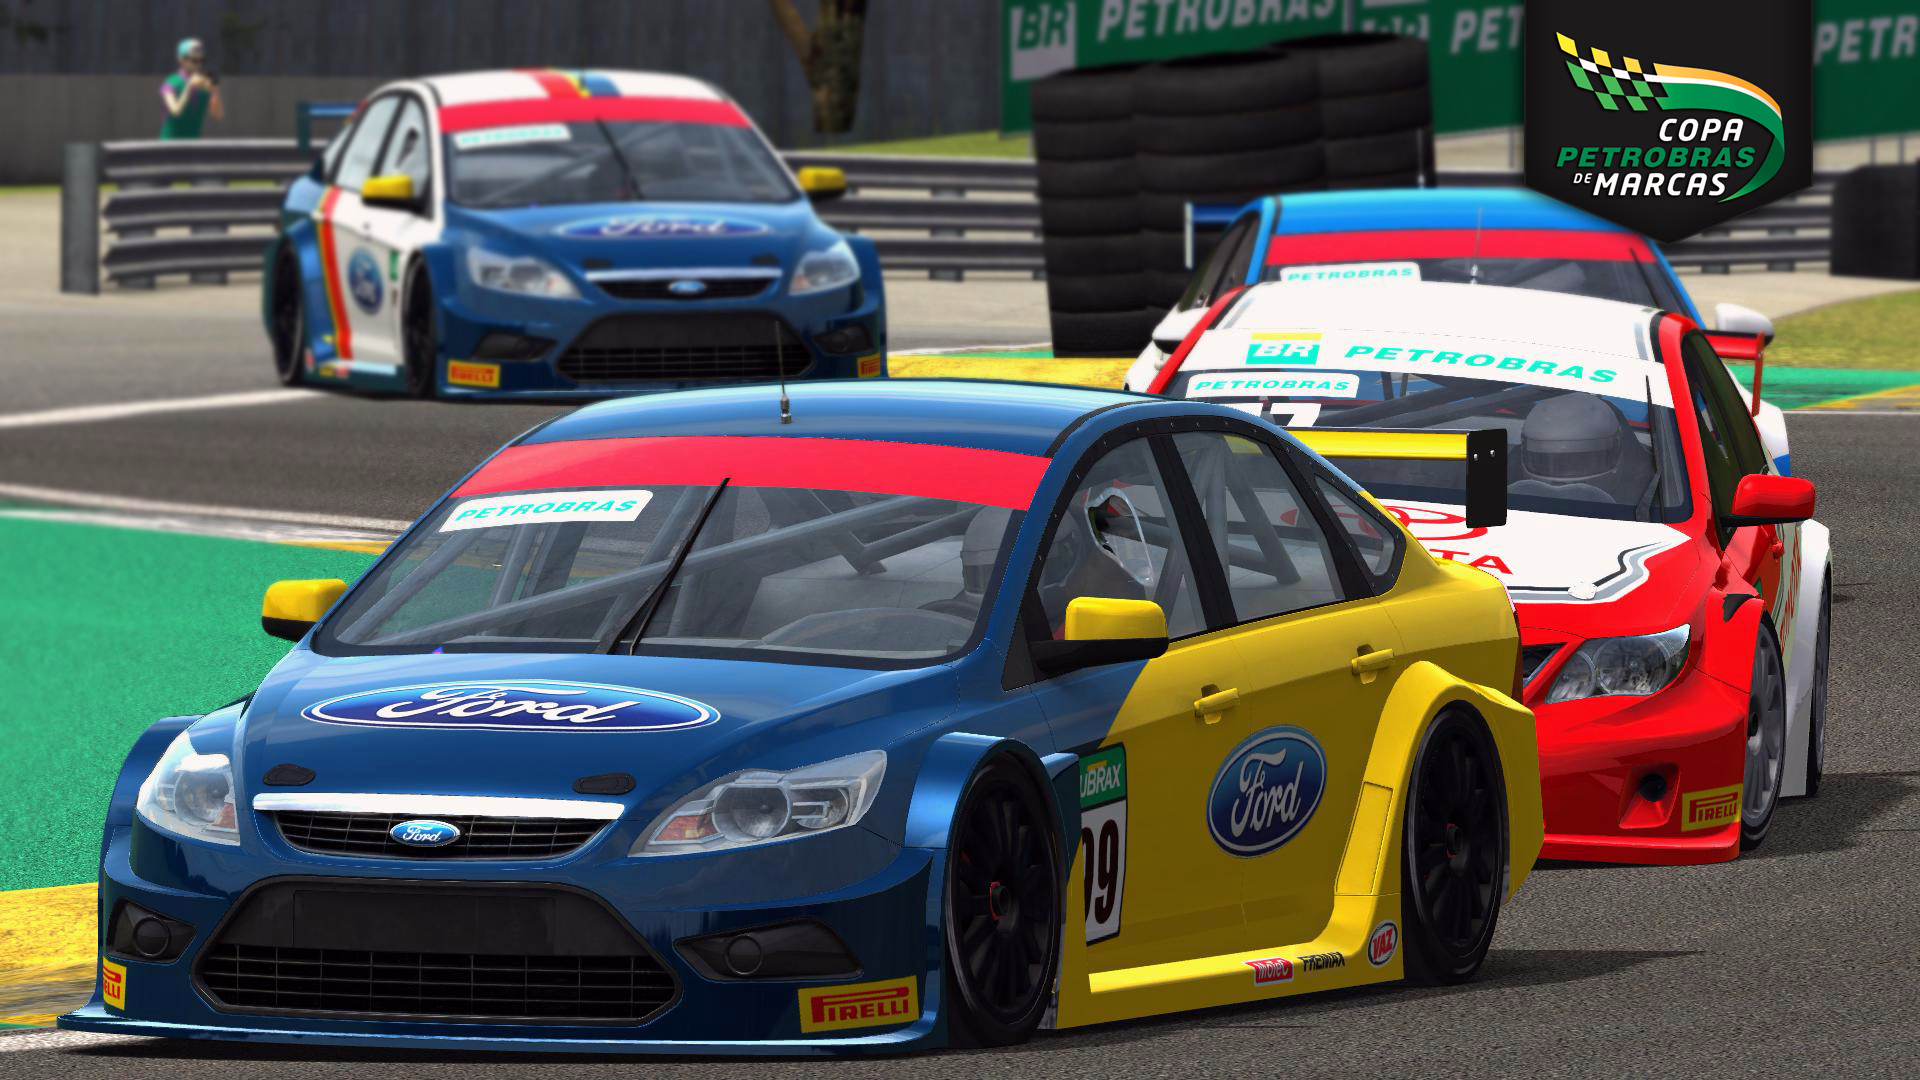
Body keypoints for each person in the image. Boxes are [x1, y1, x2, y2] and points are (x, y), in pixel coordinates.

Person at [159, 38, 224, 140]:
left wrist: (215, 90)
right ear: (181, 60)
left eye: (202, 61)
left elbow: (218, 115)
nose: (199, 65)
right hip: (170, 144)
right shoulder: (171, 82)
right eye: (194, 61)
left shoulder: (203, 84)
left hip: (194, 143)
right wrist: (189, 85)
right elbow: (176, 111)